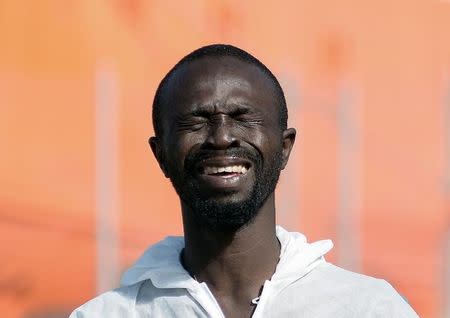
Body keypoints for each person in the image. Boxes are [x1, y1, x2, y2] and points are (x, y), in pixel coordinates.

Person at [70, 44, 418, 317]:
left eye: (242, 118)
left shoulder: (367, 309)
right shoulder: (110, 314)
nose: (221, 137)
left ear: (284, 148)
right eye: (196, 121)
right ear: (161, 155)